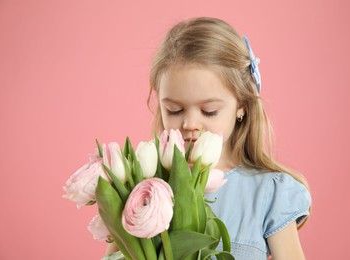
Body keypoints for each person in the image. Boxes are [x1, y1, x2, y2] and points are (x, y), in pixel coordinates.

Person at [106, 17, 311, 260]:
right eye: (174, 110)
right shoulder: (144, 188)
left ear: (242, 106)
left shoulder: (267, 192)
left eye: (209, 111)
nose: (190, 124)